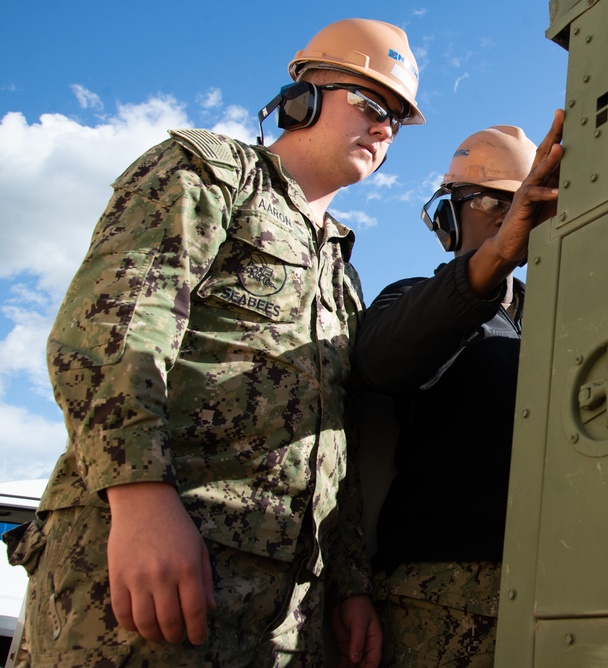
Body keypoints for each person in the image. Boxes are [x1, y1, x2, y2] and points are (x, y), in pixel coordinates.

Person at [2, 17, 424, 667]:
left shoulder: (343, 274)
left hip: (285, 616)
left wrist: (349, 586)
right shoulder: (210, 175)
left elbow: (336, 443)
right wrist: (141, 499)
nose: (383, 126)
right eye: (369, 102)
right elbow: (111, 329)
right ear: (302, 100)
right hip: (150, 573)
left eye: (396, 118)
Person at [353, 118, 564, 667]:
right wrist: (492, 264)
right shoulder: (415, 301)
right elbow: (380, 362)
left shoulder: (562, 315)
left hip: (559, 586)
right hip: (443, 596)